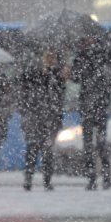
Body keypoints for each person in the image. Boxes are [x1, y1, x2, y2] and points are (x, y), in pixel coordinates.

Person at [71, 37, 111, 190]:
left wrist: (106, 85)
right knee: (91, 144)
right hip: (91, 104)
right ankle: (94, 177)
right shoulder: (83, 55)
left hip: (98, 104)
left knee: (99, 143)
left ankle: (102, 177)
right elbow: (76, 77)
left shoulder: (104, 54)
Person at [17, 49, 67, 191]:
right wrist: (42, 74)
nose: (50, 60)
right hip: (34, 117)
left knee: (48, 151)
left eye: (53, 57)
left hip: (51, 118)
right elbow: (23, 84)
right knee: (32, 149)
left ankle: (47, 181)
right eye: (47, 57)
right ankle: (28, 180)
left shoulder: (58, 74)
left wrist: (55, 76)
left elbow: (60, 94)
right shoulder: (32, 72)